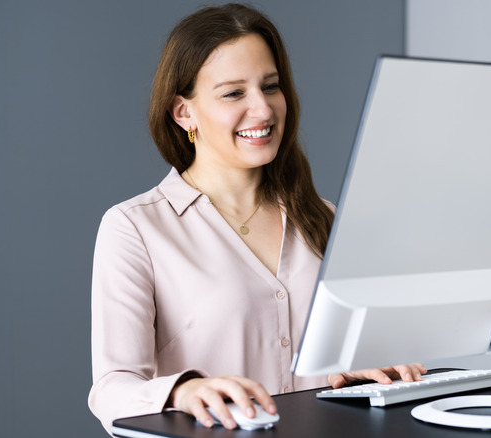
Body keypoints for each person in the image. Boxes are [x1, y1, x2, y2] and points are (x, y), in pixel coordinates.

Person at [88, 3, 426, 435]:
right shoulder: (135, 228)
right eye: (233, 93)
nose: (263, 110)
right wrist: (182, 392)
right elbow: (112, 389)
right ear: (183, 113)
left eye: (270, 86)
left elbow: (352, 366)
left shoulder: (325, 218)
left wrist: (369, 370)